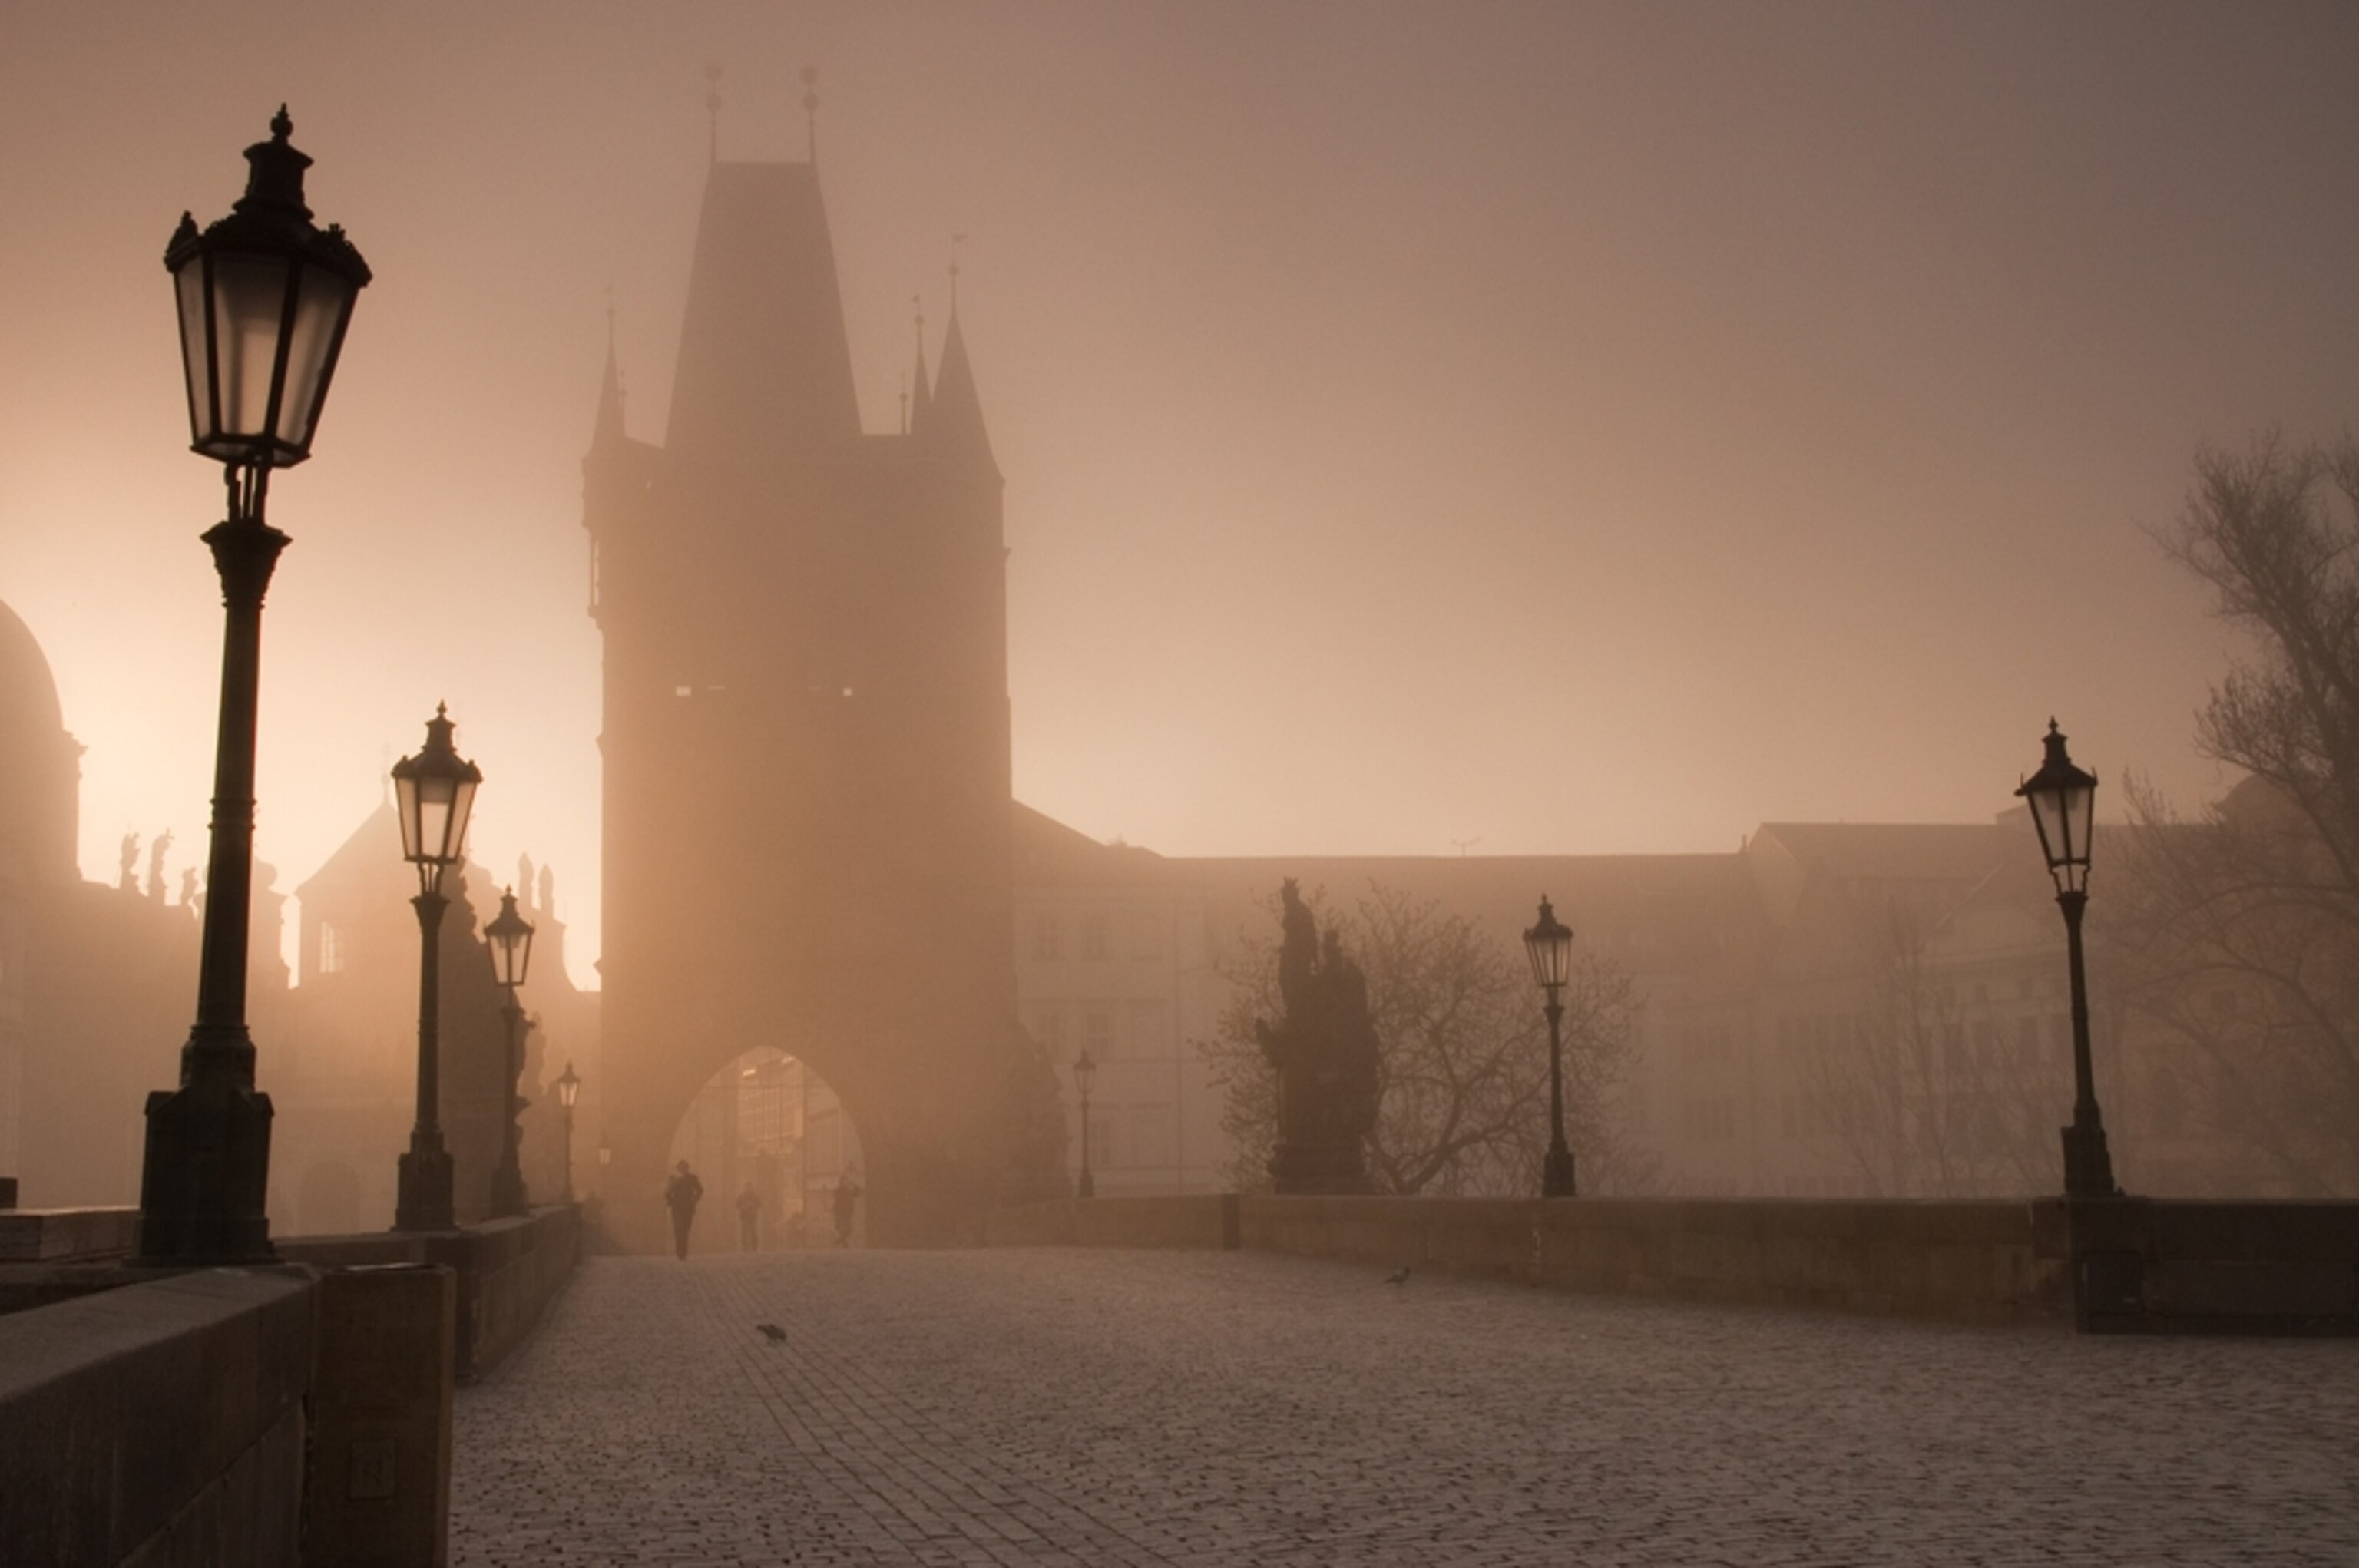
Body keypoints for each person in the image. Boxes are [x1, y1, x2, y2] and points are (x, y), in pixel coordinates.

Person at [663, 1159, 704, 1261]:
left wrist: (672, 1201)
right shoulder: (688, 1179)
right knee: (683, 1229)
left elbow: (667, 1193)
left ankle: (681, 1251)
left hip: (680, 1207)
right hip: (685, 1207)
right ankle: (682, 1252)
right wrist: (694, 1200)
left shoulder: (676, 1179)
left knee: (680, 1229)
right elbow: (700, 1190)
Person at [832, 1170, 862, 1248]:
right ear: (841, 1182)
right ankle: (844, 1244)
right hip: (840, 1213)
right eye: (845, 1181)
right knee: (843, 1229)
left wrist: (853, 1183)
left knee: (849, 1229)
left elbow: (858, 1192)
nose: (846, 1183)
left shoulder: (850, 1191)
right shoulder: (837, 1191)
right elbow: (836, 1201)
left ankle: (839, 1241)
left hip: (849, 1213)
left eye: (847, 1181)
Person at [735, 1180, 761, 1252]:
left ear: (752, 1188)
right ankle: (745, 1249)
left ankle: (754, 1248)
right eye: (747, 1187)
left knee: (754, 1233)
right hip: (744, 1217)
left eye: (750, 1187)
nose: (748, 1189)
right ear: (745, 1188)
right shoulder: (742, 1196)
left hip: (753, 1217)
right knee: (744, 1233)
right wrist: (744, 1206)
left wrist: (754, 1206)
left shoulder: (756, 1196)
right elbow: (737, 1205)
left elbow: (760, 1205)